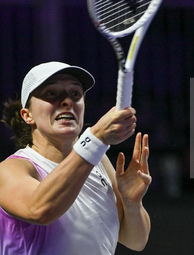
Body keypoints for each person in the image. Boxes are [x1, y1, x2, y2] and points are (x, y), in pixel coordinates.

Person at [0, 61, 152, 255]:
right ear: (27, 115)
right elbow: (39, 210)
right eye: (51, 94)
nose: (67, 102)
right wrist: (95, 138)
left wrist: (131, 204)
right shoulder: (11, 169)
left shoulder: (99, 161)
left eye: (75, 94)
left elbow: (136, 241)